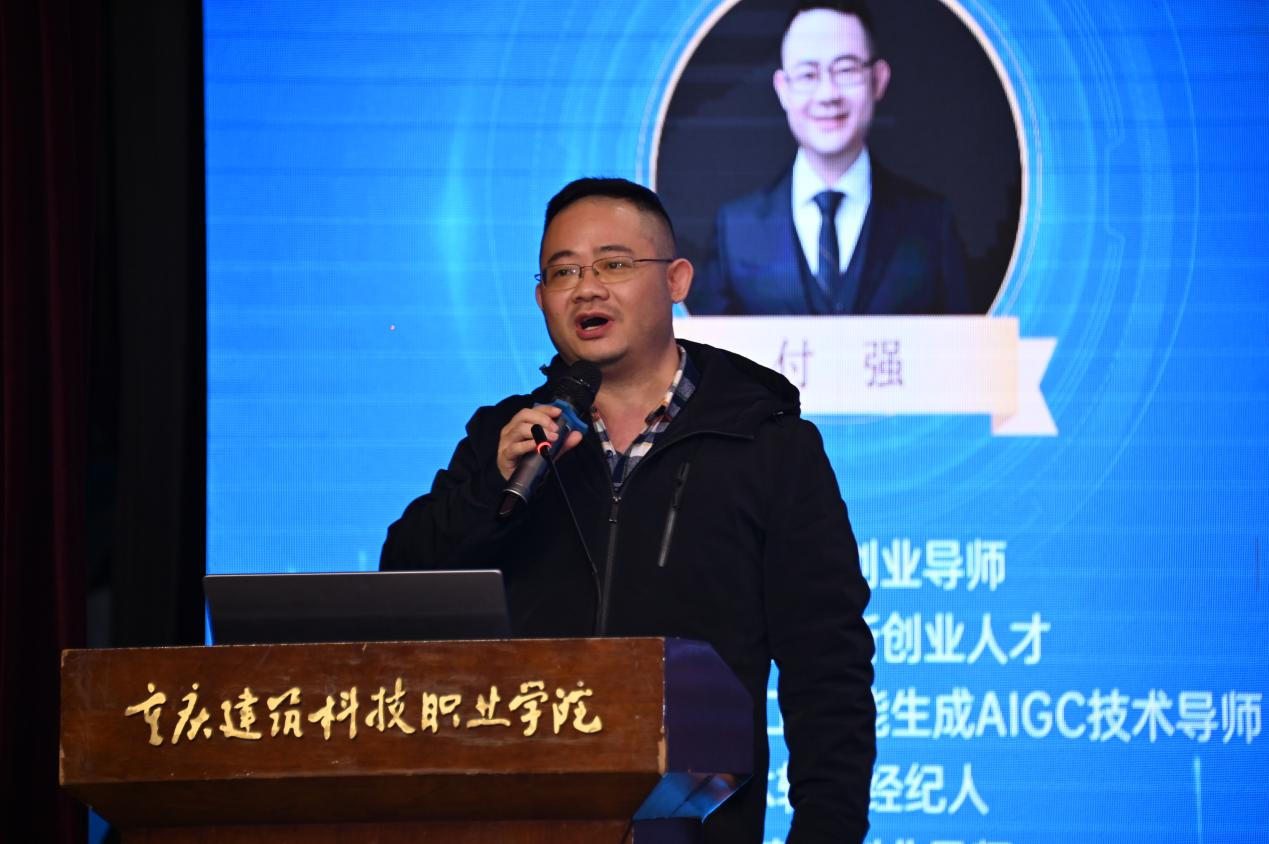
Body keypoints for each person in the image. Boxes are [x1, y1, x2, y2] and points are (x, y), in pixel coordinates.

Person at [381, 177, 875, 843]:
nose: (586, 289)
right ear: (541, 298)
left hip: (696, 829)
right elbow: (403, 585)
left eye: (613, 264)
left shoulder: (766, 445)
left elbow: (828, 669)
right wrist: (487, 488)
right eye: (563, 272)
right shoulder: (508, 441)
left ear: (675, 280)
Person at [686, 0, 973, 316]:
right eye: (808, 74)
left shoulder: (931, 224)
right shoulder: (736, 230)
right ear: (782, 88)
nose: (827, 95)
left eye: (846, 70)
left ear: (878, 80)